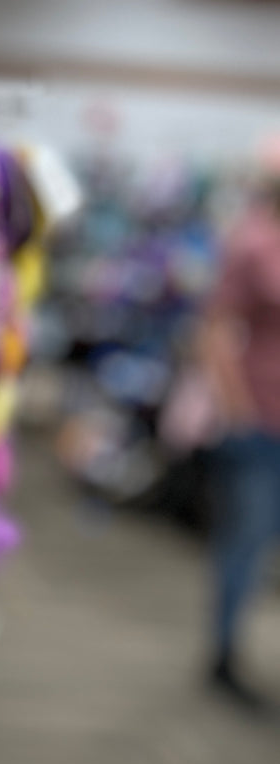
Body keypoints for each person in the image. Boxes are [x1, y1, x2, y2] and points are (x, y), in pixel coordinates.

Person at [201, 139, 280, 712]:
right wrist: (239, 410)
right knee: (245, 544)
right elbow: (216, 330)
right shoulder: (254, 241)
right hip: (261, 422)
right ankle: (224, 656)